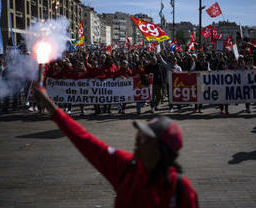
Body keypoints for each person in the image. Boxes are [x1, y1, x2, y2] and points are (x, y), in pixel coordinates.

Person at [32, 84, 199, 207]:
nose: (137, 140)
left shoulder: (181, 190)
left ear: (159, 149)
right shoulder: (125, 167)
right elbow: (86, 142)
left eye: (144, 138)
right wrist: (52, 108)